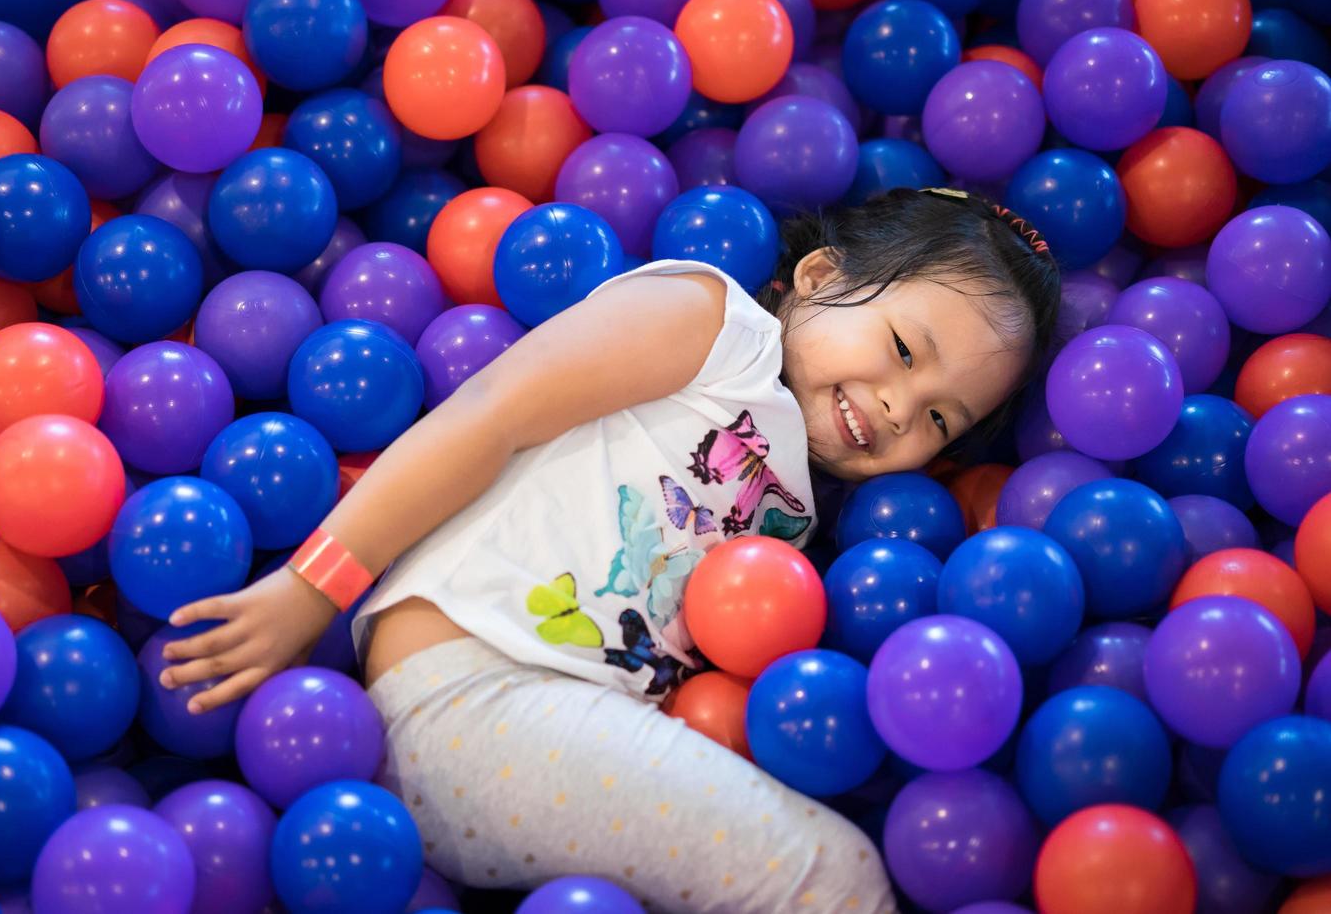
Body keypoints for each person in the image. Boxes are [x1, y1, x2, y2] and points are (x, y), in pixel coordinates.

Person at [157, 187, 1061, 913]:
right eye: (904, 349)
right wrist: (316, 585)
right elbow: (490, 415)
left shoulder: (800, 514)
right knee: (831, 879)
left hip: (563, 733)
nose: (903, 407)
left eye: (942, 417)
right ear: (820, 276)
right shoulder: (712, 324)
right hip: (472, 692)